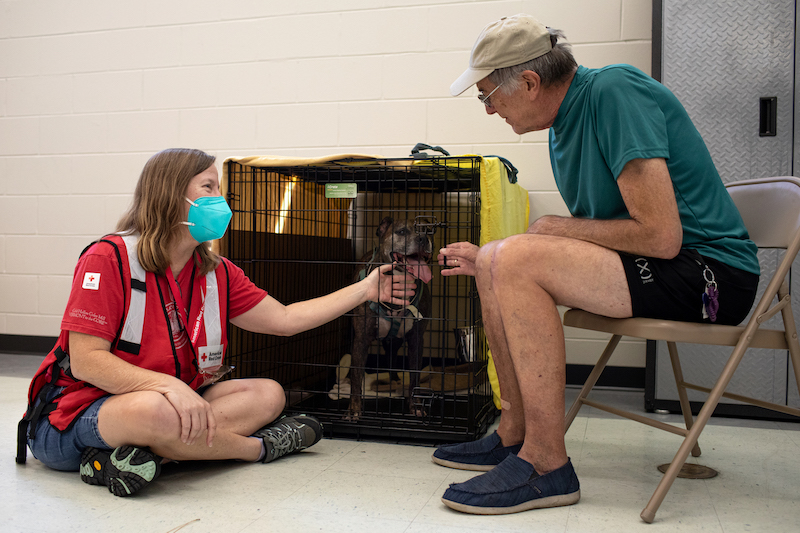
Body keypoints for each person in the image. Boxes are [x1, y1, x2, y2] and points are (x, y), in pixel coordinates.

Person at [430, 14, 760, 515]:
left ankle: (547, 464)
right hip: (664, 266)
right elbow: (603, 238)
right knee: (496, 258)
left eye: (488, 95)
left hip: (712, 274)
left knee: (514, 254)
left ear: (530, 82)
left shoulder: (612, 91)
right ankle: (514, 433)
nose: (490, 109)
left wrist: (546, 233)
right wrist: (499, 258)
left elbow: (661, 235)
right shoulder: (563, 126)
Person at [18, 148, 416, 497]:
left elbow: (286, 319)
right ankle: (258, 448)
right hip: (70, 418)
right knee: (154, 413)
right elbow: (87, 361)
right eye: (208, 187)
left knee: (270, 394)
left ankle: (143, 455)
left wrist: (366, 290)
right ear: (171, 195)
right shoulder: (108, 259)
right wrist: (168, 387)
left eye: (219, 188)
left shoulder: (217, 272)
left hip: (175, 405)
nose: (220, 199)